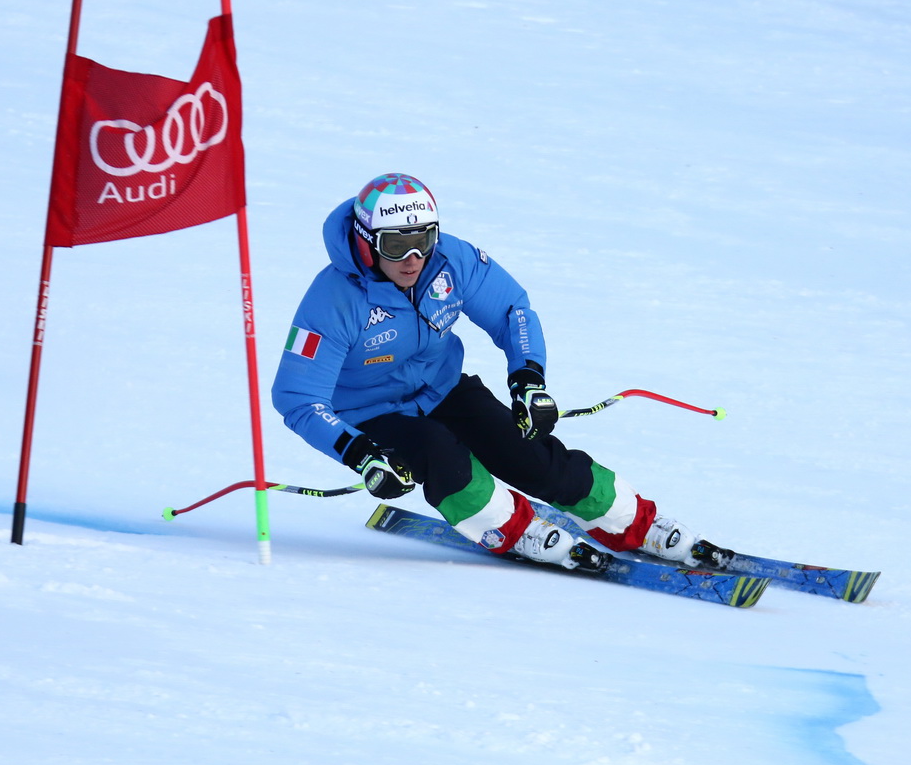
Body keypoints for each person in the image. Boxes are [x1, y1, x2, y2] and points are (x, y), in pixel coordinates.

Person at [271, 173, 710, 571]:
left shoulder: (451, 261)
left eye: (422, 240)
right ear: (367, 244)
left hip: (442, 388)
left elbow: (511, 311)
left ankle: (634, 521)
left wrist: (528, 381)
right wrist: (361, 453)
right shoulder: (331, 301)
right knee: (440, 453)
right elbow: (298, 399)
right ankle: (512, 528)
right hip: (370, 413)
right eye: (395, 245)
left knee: (524, 450)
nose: (412, 258)